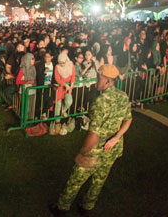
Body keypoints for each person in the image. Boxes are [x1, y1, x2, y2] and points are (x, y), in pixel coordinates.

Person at [49, 64, 132, 215]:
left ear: (107, 81)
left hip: (96, 150)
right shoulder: (123, 96)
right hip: (112, 149)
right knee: (99, 180)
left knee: (75, 180)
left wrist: (83, 152)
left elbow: (94, 134)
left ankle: (62, 207)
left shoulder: (99, 102)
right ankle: (87, 206)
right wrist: (116, 139)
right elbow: (128, 120)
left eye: (99, 78)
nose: (96, 81)